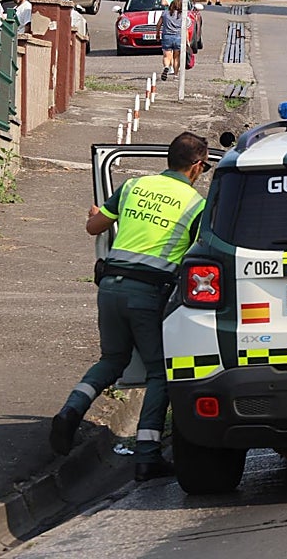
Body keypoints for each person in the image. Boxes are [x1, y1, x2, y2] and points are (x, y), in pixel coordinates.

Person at [49, 132, 210, 481]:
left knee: (112, 359)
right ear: (197, 166)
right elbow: (198, 256)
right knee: (160, 373)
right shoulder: (197, 205)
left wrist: (97, 213)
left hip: (110, 287)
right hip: (148, 294)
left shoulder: (134, 186)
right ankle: (147, 455)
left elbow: (95, 226)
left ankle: (69, 413)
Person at [159, 0, 185, 81]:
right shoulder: (182, 14)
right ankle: (176, 75)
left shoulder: (166, 11)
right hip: (178, 36)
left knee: (167, 55)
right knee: (176, 57)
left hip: (167, 35)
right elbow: (184, 27)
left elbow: (159, 24)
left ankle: (166, 66)